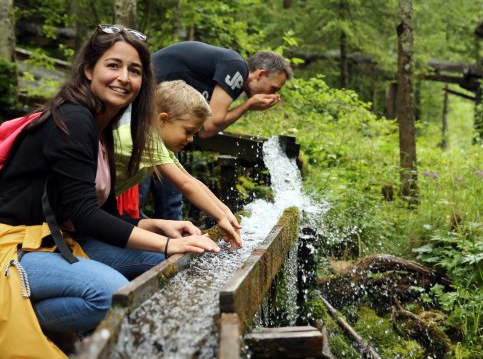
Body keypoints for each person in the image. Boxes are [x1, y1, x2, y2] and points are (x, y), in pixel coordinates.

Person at [0, 25, 219, 357]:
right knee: (110, 293)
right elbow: (85, 216)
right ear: (89, 70)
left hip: (52, 242)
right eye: (113, 65)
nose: (123, 78)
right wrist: (169, 242)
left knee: (159, 262)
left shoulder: (102, 127)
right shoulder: (73, 119)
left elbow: (97, 213)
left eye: (135, 70)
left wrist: (156, 225)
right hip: (13, 246)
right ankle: (24, 320)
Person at [141, 42, 293, 220]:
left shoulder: (233, 80)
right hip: (142, 107)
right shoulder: (237, 67)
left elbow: (204, 131)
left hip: (156, 115)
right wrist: (248, 105)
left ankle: (173, 237)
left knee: (172, 192)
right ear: (260, 74)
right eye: (273, 88)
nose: (271, 93)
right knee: (141, 185)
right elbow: (210, 126)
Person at [114, 80, 243, 248]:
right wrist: (219, 218)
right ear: (163, 120)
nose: (190, 140)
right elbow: (185, 185)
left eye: (194, 134)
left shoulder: (157, 143)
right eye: (188, 131)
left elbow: (190, 180)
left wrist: (226, 212)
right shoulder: (145, 138)